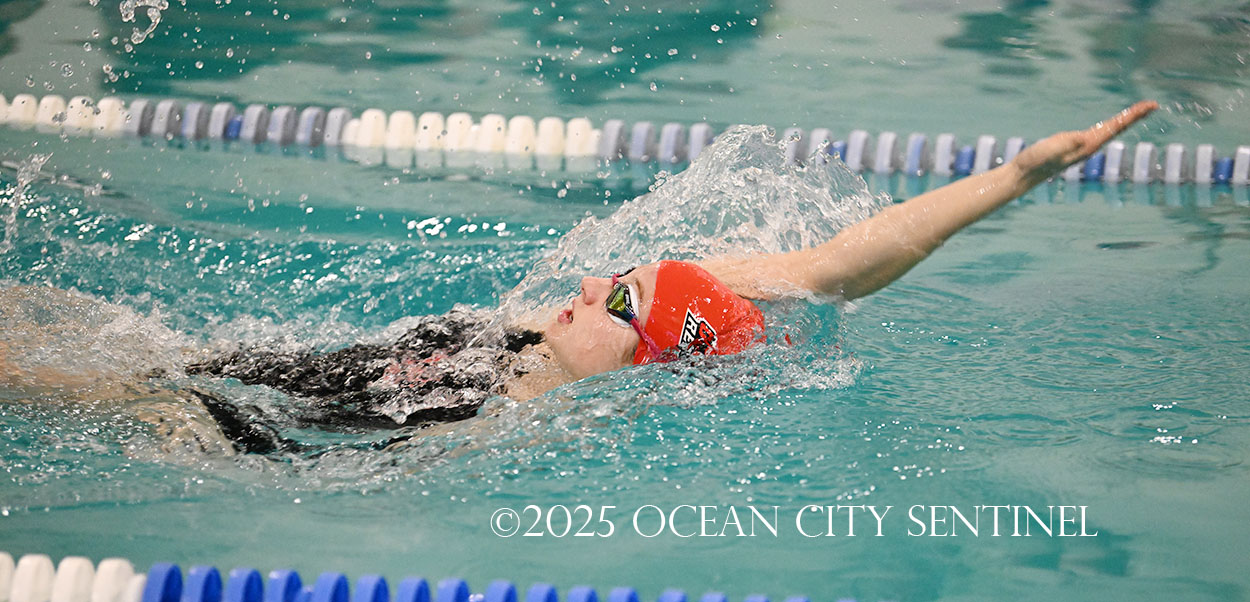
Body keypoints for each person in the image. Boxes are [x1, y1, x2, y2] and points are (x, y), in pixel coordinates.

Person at [4, 102, 1158, 456]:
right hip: (361, 361)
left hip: (348, 422)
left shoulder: (531, 412)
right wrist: (1016, 171)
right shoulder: (646, 311)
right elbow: (836, 264)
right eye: (615, 278)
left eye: (615, 304)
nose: (586, 289)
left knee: (130, 393)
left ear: (649, 359)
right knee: (159, 351)